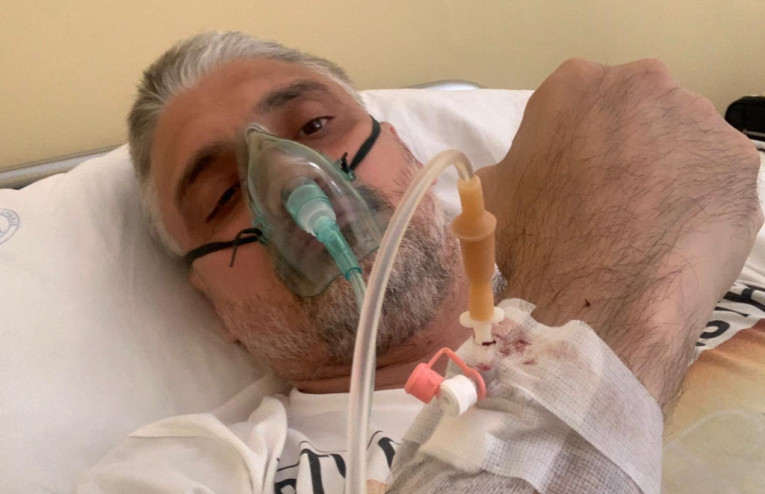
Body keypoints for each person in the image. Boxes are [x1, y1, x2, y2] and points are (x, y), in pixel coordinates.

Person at [77, 31, 762, 493]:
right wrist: (610, 306)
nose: (291, 183)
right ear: (212, 304)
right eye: (226, 194)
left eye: (314, 127)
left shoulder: (722, 252)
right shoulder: (195, 470)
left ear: (407, 151)